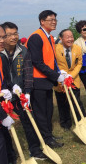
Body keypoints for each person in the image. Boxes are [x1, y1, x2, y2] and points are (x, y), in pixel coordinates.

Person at [0, 22, 47, 160]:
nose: (13, 37)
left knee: (28, 120)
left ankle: (35, 150)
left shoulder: (23, 50)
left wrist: (27, 92)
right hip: (3, 95)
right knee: (4, 126)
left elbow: (28, 72)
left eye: (15, 33)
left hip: (20, 94)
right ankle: (10, 156)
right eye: (9, 34)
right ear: (3, 36)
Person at [26, 10, 65, 148]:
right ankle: (45, 139)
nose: (54, 22)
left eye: (55, 19)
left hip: (46, 80)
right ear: (42, 21)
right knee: (41, 112)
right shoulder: (36, 37)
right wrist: (55, 75)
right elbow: (37, 61)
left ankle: (48, 135)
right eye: (51, 19)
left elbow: (50, 59)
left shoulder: (48, 37)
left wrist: (59, 72)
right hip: (38, 81)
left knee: (49, 110)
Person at [0, 23, 16, 164]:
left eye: (3, 37)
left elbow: (0, 80)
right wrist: (2, 116)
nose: (2, 40)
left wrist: (6, 89)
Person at [54, 29, 86, 130]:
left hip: (73, 79)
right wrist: (61, 75)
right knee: (62, 103)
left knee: (76, 101)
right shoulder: (55, 49)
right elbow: (52, 64)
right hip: (60, 81)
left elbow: (79, 64)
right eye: (67, 37)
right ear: (61, 38)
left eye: (71, 36)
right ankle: (65, 123)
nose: (70, 39)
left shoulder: (77, 48)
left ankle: (82, 120)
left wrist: (71, 75)